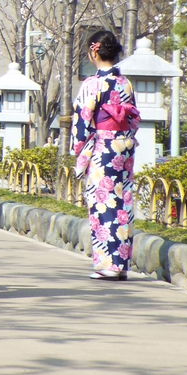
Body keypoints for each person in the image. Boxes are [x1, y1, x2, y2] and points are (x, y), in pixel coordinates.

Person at [72, 30, 139, 281]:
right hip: (125, 147)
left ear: (94, 52)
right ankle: (121, 263)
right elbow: (131, 117)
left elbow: (82, 124)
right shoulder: (125, 83)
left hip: (103, 147)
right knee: (124, 202)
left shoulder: (92, 84)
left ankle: (108, 265)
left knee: (103, 202)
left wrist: (80, 152)